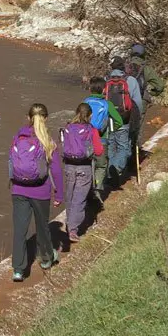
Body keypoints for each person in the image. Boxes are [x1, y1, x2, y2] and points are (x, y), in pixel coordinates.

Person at [9, 103, 63, 282]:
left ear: (28, 117)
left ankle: (18, 269)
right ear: (46, 118)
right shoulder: (48, 139)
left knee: (20, 230)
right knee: (42, 227)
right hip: (41, 191)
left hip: (18, 189)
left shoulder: (19, 136)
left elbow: (11, 161)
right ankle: (47, 259)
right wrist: (59, 194)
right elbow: (55, 170)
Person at [60, 103, 105, 242]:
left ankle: (69, 223)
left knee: (70, 196)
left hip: (68, 166)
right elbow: (99, 151)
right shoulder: (91, 130)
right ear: (90, 115)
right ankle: (73, 230)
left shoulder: (67, 128)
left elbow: (62, 147)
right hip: (84, 167)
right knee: (80, 198)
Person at [84, 76, 125, 197]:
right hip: (102, 139)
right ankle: (96, 191)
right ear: (104, 90)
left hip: (86, 140)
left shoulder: (85, 102)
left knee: (87, 165)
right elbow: (119, 121)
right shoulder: (107, 104)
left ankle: (87, 189)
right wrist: (110, 130)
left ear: (90, 89)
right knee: (101, 166)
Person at [105, 57, 143, 180]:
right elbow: (137, 103)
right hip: (125, 119)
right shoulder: (130, 80)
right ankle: (115, 168)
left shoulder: (106, 80)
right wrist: (137, 121)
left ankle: (109, 171)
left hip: (109, 119)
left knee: (110, 145)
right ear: (123, 67)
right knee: (124, 147)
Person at [127, 43, 166, 146]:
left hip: (125, 102)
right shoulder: (147, 69)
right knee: (137, 129)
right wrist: (152, 92)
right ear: (143, 55)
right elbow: (160, 86)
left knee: (125, 128)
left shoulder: (126, 68)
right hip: (141, 102)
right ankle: (136, 153)